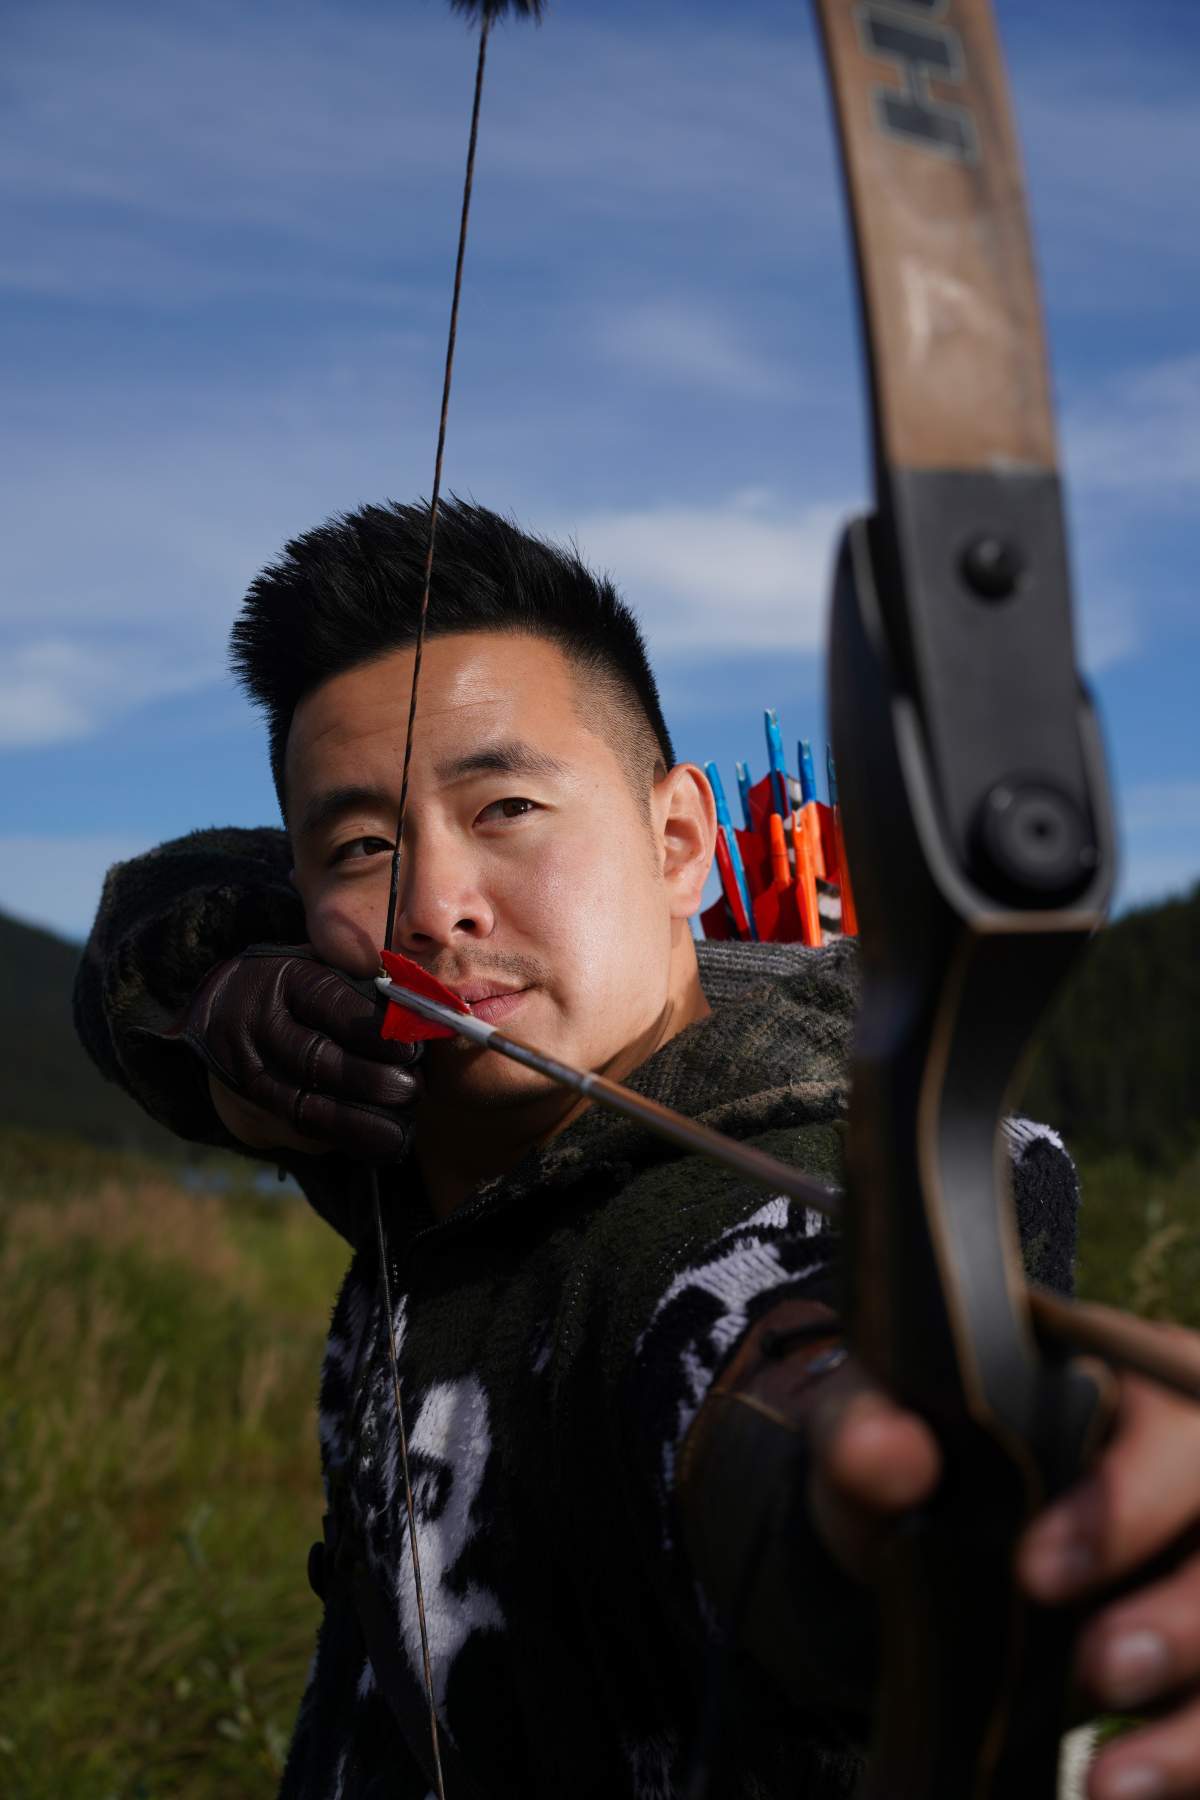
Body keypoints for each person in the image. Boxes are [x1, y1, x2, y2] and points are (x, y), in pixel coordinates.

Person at [76, 500, 1200, 1800]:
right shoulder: (393, 1101)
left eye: (507, 806)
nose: (432, 908)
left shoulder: (769, 1185)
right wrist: (218, 988)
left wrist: (928, 1478)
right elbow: (138, 930)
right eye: (364, 846)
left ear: (679, 844)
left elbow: (774, 1354)